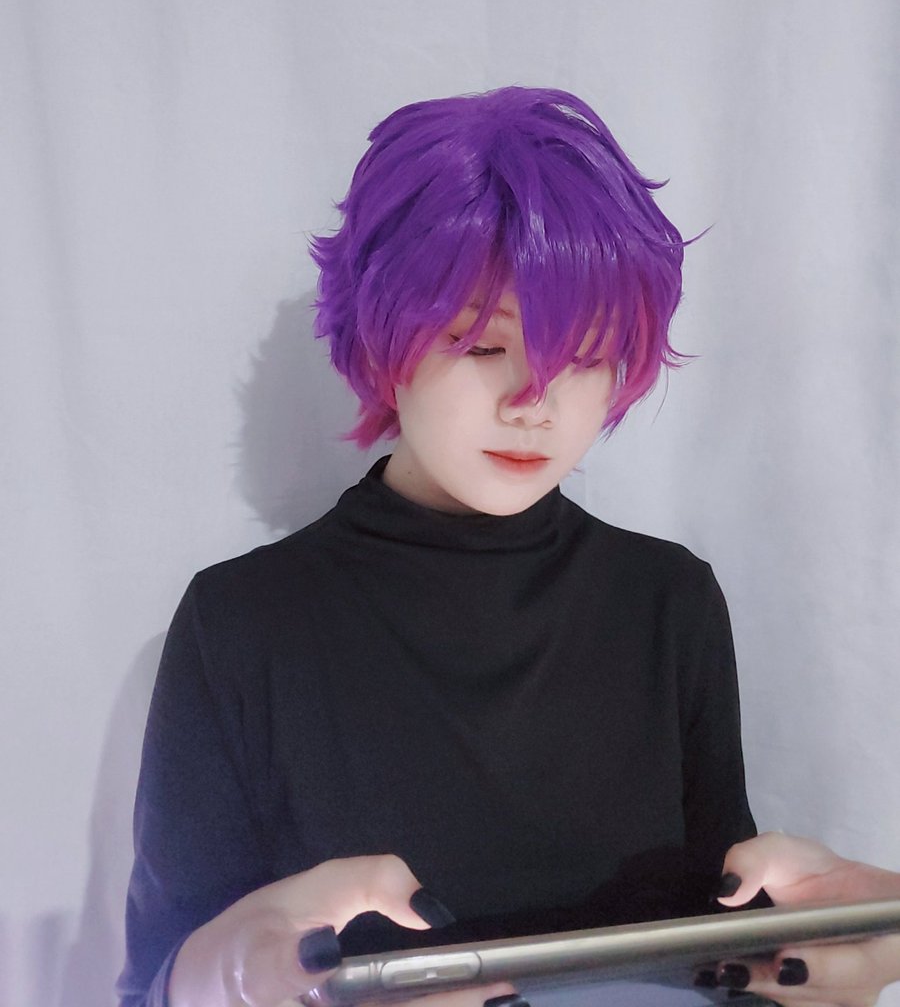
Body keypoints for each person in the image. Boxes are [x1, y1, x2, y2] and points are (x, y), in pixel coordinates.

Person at [118, 87, 900, 1007]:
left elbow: (718, 949)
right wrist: (228, 973)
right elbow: (152, 983)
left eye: (586, 356)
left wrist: (825, 951)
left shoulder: (668, 601)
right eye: (480, 345)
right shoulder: (244, 622)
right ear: (382, 339)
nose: (535, 401)